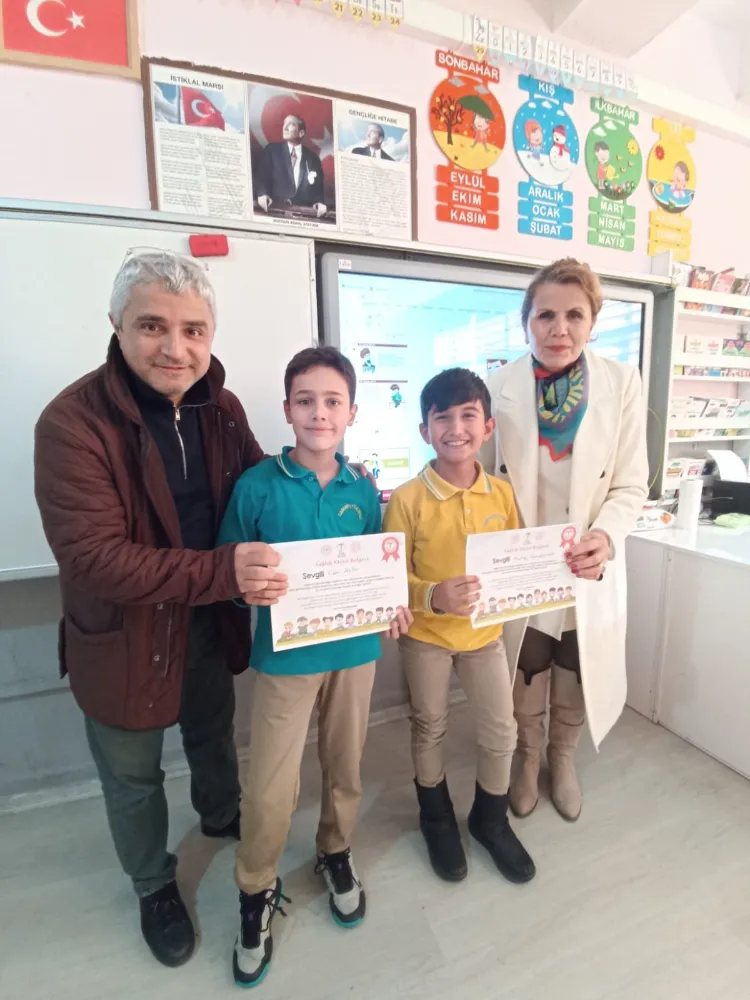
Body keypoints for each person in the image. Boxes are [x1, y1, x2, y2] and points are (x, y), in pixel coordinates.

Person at [33, 251, 289, 969]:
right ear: (116, 325)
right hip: (124, 639)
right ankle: (153, 885)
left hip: (207, 621)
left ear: (210, 336)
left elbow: (261, 488)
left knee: (212, 733)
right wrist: (223, 570)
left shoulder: (222, 407)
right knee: (133, 777)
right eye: (153, 326)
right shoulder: (71, 423)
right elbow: (95, 558)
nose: (176, 348)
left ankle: (222, 814)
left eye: (193, 330)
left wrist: (328, 487)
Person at [216, 346, 413, 988]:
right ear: (287, 410)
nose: (319, 413)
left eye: (333, 402)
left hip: (355, 654)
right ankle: (255, 889)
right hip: (286, 659)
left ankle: (335, 850)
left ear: (352, 412)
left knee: (345, 764)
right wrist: (248, 589)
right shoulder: (257, 485)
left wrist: (392, 603)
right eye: (306, 401)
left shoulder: (363, 488)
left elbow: (378, 567)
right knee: (271, 783)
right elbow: (227, 570)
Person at [483, 258, 648, 823]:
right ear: (526, 321)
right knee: (526, 662)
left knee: (577, 661)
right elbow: (482, 481)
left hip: (586, 562)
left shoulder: (621, 384)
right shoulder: (499, 386)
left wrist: (607, 535)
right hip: (524, 564)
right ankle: (528, 756)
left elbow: (631, 483)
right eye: (546, 315)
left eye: (574, 315)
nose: (560, 329)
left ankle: (562, 757)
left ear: (593, 322)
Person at [382, 369, 535, 886]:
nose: (456, 428)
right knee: (430, 725)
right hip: (426, 638)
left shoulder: (502, 495)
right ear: (425, 430)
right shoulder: (407, 500)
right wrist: (432, 595)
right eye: (442, 417)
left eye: (469, 415)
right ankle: (436, 817)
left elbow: (514, 558)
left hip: (484, 637)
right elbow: (390, 580)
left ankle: (491, 820)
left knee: (501, 728)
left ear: (488, 427)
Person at [255, 113, 327, 218]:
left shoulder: (313, 158)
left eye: (291, 124)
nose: (285, 128)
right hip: (273, 211)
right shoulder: (272, 151)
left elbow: (317, 189)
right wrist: (262, 194)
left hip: (302, 216)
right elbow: (262, 177)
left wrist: (319, 202)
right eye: (284, 124)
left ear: (301, 133)